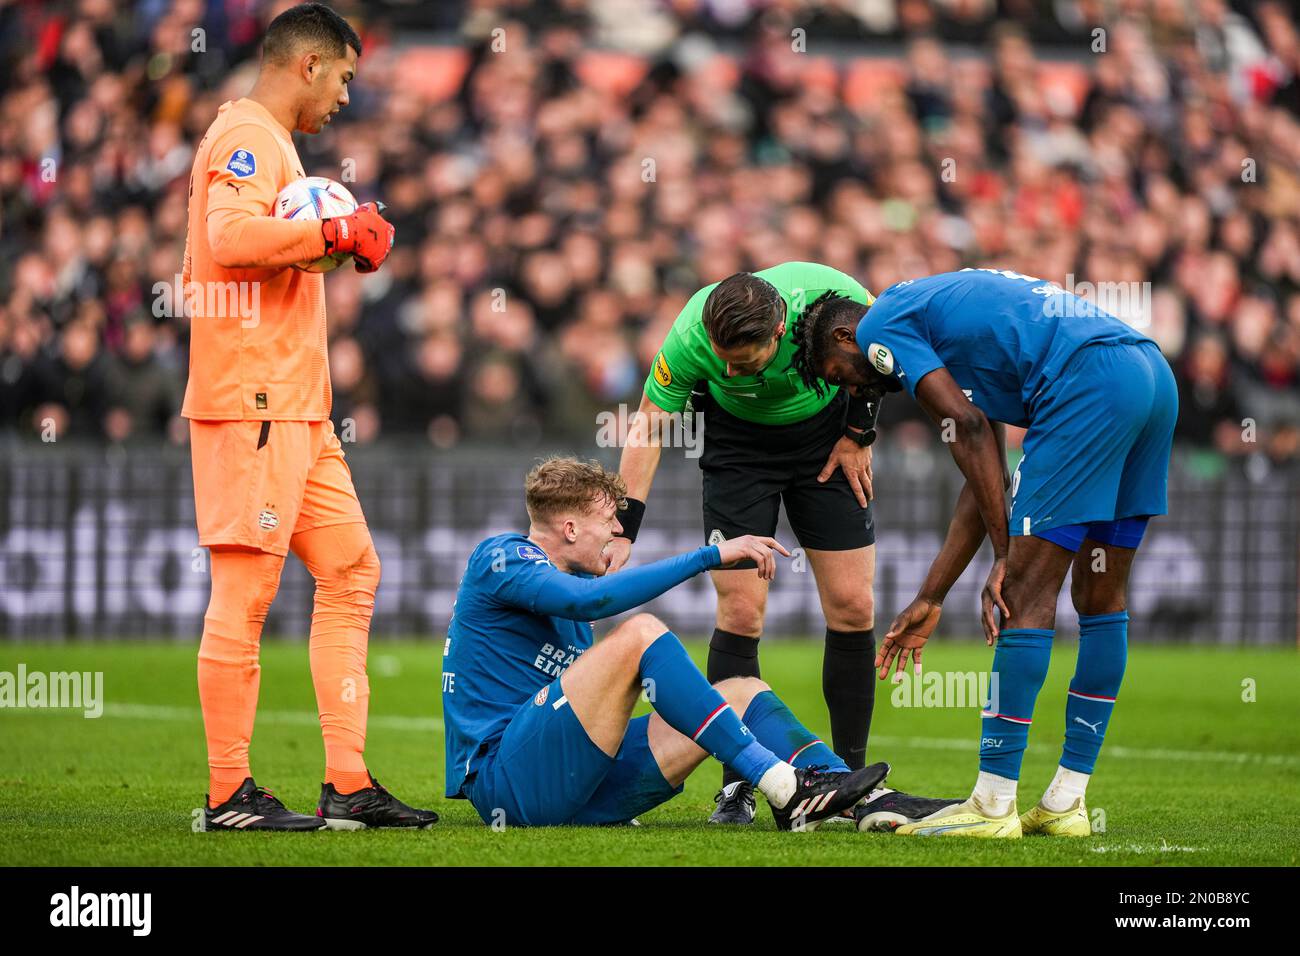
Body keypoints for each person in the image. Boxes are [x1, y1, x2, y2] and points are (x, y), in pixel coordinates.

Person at [791, 268, 1178, 837]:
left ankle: (994, 804)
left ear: (848, 339)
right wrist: (932, 595)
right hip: (1148, 373)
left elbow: (967, 430)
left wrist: (1006, 558)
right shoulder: (943, 323)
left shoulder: (880, 325)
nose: (854, 390)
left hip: (1088, 383)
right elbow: (983, 469)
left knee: (1024, 594)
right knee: (1100, 593)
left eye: (838, 375)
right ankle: (1067, 800)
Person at [183, 3, 432, 831]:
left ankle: (347, 784)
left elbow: (267, 246)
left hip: (297, 410)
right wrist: (332, 227)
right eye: (345, 79)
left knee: (353, 572)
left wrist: (329, 244)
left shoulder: (272, 142)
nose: (346, 99)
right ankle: (227, 796)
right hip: (253, 402)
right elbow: (228, 238)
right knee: (246, 595)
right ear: (310, 64)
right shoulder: (246, 136)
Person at [441, 455, 942, 830]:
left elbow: (586, 615)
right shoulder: (501, 557)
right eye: (608, 520)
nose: (619, 531)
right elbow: (590, 602)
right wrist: (710, 556)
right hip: (506, 783)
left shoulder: (569, 592)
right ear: (570, 528)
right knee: (641, 633)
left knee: (740, 689)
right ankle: (780, 783)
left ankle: (860, 799)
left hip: (578, 786)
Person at [611, 262, 913, 826]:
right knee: (742, 611)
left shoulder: (843, 298)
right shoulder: (691, 335)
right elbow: (650, 424)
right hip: (738, 450)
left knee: (853, 606)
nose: (727, 368)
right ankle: (737, 787)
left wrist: (857, 434)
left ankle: (849, 782)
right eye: (721, 358)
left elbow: (887, 356)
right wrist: (623, 529)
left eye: (742, 361)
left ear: (778, 334)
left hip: (826, 439)